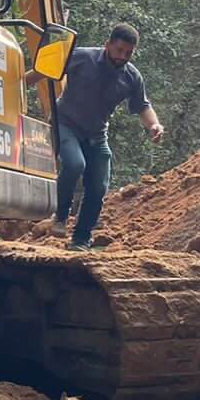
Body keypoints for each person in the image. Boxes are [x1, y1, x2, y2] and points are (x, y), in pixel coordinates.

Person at [28, 21, 164, 250]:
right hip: (65, 123)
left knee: (99, 185)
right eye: (119, 50)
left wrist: (154, 125)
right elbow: (43, 70)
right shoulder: (82, 57)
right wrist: (17, 83)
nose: (123, 56)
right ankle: (60, 217)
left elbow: (142, 105)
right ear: (108, 44)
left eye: (128, 53)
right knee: (74, 164)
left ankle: (81, 239)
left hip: (97, 133)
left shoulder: (131, 76)